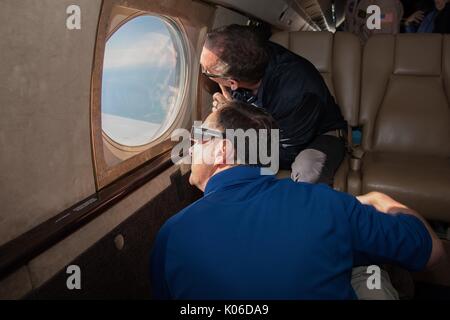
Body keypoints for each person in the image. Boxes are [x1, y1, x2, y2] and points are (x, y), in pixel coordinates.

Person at [150, 101, 445, 300]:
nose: (191, 144)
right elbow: (431, 250)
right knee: (372, 272)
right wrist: (380, 199)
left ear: (221, 152)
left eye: (200, 135)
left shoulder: (171, 234)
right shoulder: (328, 204)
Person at [200, 24, 347, 185]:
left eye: (206, 71)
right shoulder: (246, 58)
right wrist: (230, 110)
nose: (203, 73)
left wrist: (231, 112)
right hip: (270, 135)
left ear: (232, 82)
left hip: (317, 137)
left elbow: (286, 153)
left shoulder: (295, 92)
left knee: (307, 174)